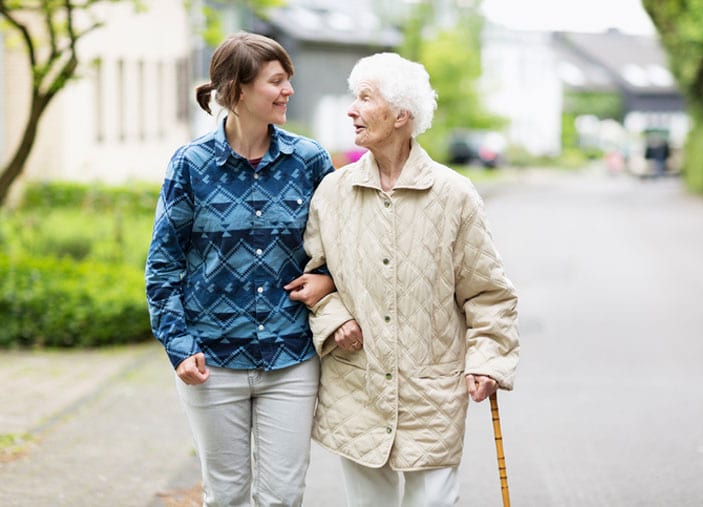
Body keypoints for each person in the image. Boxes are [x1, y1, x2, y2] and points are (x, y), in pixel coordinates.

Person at [291, 52, 520, 506]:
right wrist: (334, 316)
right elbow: (311, 278)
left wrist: (488, 360)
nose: (351, 109)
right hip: (358, 387)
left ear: (401, 115)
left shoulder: (454, 195)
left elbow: (488, 294)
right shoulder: (333, 192)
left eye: (365, 98)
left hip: (432, 390)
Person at [145, 32, 335, 507]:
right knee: (226, 494)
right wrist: (179, 345)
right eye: (276, 81)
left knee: (283, 495)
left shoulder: (309, 162)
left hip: (290, 356)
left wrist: (329, 278)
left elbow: (344, 247)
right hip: (212, 361)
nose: (288, 90)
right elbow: (162, 265)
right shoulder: (191, 166)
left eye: (288, 79)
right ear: (237, 89)